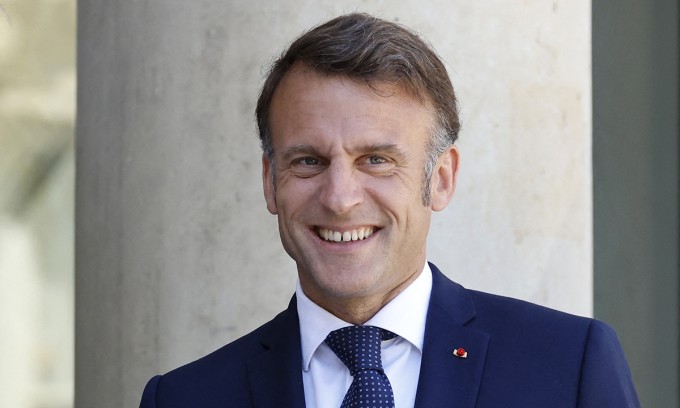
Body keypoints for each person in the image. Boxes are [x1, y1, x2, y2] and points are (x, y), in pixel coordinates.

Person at [140, 13, 639, 407]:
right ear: (270, 182)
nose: (340, 198)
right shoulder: (185, 398)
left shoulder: (568, 367)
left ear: (440, 179)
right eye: (308, 161)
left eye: (376, 160)